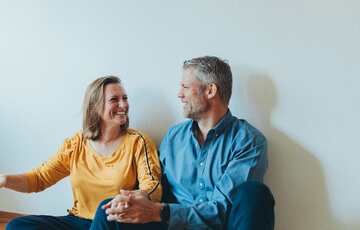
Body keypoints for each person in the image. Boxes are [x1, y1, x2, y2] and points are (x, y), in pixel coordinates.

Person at [93, 56, 275, 230]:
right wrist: (143, 195)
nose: (179, 94)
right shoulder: (174, 137)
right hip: (172, 226)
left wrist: (162, 212)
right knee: (110, 208)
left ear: (210, 91)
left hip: (220, 225)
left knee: (255, 193)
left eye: (185, 87)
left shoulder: (249, 141)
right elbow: (157, 185)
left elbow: (222, 211)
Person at [0, 76, 162, 230]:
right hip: (79, 221)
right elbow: (40, 178)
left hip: (116, 222)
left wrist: (137, 196)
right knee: (17, 225)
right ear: (95, 107)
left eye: (125, 98)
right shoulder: (76, 143)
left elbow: (152, 185)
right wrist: (5, 179)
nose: (123, 104)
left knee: (106, 208)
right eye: (115, 99)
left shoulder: (137, 141)